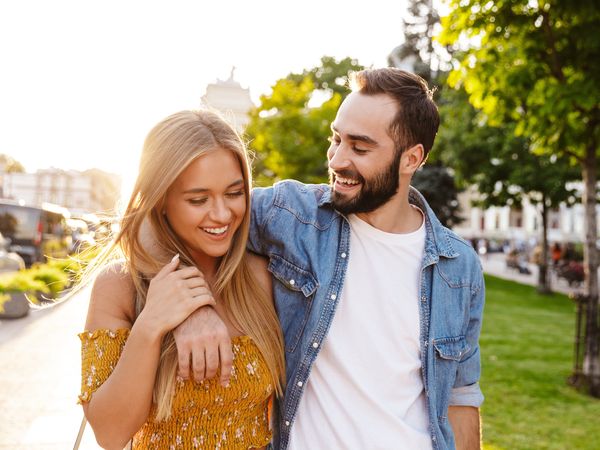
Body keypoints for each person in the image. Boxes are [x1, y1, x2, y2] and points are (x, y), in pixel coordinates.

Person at [176, 68, 485, 450]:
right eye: (335, 139)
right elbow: (162, 220)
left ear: (411, 158)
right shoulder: (291, 215)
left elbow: (461, 395)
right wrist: (193, 308)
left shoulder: (460, 266)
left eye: (359, 147)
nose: (337, 159)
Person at [78, 110, 285, 449]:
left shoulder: (262, 276)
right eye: (198, 199)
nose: (221, 214)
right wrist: (152, 324)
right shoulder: (119, 285)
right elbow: (111, 435)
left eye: (234, 193)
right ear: (161, 201)